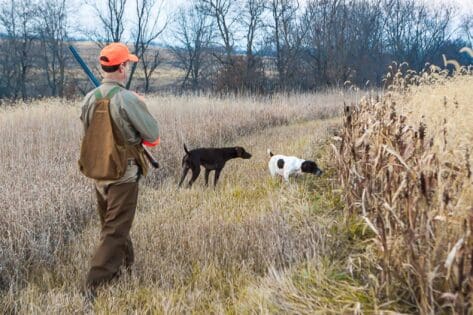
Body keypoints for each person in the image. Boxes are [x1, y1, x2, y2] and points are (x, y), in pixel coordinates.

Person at [79, 42, 160, 297]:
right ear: (122, 67)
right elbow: (153, 136)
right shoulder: (127, 99)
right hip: (123, 175)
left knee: (113, 226)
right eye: (128, 63)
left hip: (98, 173)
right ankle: (93, 285)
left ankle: (125, 269)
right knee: (115, 230)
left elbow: (89, 136)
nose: (128, 67)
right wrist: (140, 105)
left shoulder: (88, 99)